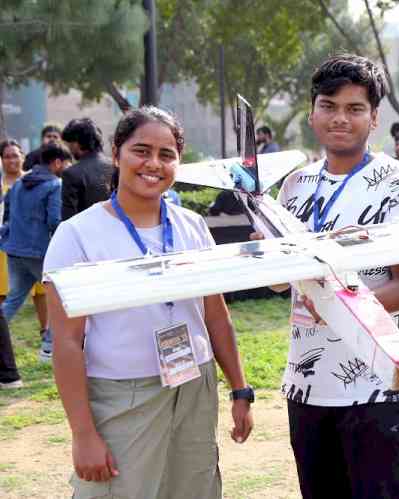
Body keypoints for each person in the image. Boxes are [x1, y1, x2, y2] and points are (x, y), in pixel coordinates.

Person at [44, 107, 253, 499]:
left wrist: (240, 389)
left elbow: (215, 314)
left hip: (194, 384)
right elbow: (67, 342)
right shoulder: (78, 235)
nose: (153, 164)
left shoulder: (191, 225)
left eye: (167, 154)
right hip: (122, 394)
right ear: (117, 152)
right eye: (141, 150)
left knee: (193, 488)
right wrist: (83, 434)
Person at [269, 54, 399, 499]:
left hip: (380, 387)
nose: (340, 118)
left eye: (355, 108)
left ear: (374, 117)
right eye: (329, 105)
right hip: (308, 382)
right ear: (312, 112)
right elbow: (281, 283)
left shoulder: (397, 184)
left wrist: (341, 309)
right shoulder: (293, 185)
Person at [0, 141, 71, 361]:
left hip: (14, 249)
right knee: (59, 297)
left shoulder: (20, 182)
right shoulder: (55, 185)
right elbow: (54, 220)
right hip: (39, 252)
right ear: (57, 162)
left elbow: (8, 214)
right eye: (66, 163)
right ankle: (48, 348)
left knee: (12, 300)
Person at [60, 117, 114, 220]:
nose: (69, 148)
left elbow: (68, 218)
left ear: (77, 143)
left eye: (69, 143)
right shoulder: (117, 167)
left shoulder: (71, 174)